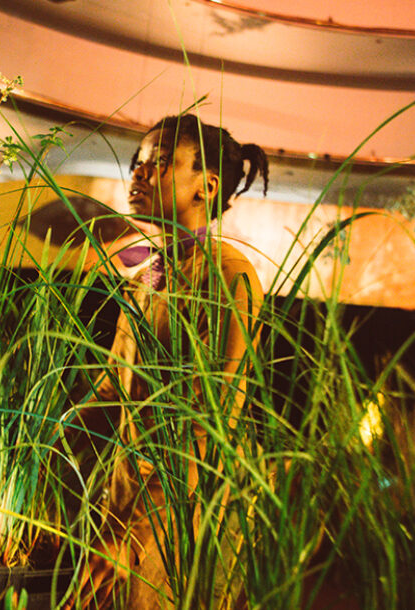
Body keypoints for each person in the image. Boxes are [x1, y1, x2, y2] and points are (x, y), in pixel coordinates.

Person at [58, 114, 268, 608]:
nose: (139, 173)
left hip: (178, 522)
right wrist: (44, 439)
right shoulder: (150, 270)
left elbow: (205, 426)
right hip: (123, 499)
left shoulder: (228, 275)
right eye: (138, 162)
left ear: (207, 186)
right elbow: (114, 386)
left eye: (159, 163)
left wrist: (127, 538)